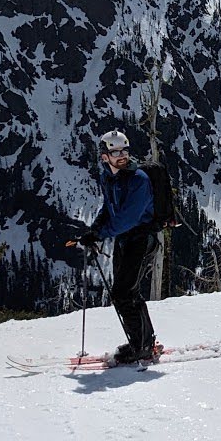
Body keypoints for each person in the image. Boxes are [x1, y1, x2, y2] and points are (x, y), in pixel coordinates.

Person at [69, 128, 162, 365]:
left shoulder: (138, 179)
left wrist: (99, 234)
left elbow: (126, 219)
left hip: (141, 240)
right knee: (128, 293)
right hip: (126, 240)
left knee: (122, 293)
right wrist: (95, 228)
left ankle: (141, 348)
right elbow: (109, 209)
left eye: (124, 151)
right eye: (115, 152)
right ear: (104, 156)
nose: (122, 156)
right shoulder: (109, 177)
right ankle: (143, 342)